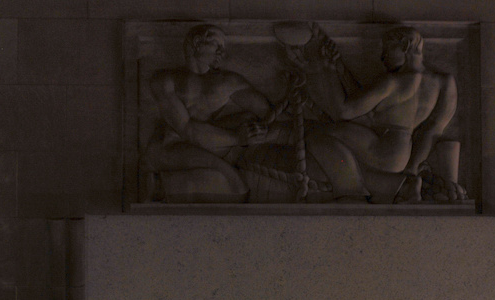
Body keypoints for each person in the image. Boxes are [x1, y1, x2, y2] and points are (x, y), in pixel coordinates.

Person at [306, 26, 465, 203]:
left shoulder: (391, 82)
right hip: (402, 151)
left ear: (404, 45)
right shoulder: (444, 82)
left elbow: (345, 110)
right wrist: (412, 167)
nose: (382, 57)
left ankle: (354, 191)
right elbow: (434, 129)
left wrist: (326, 67)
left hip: (382, 146)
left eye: (387, 48)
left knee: (317, 136)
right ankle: (401, 185)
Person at [142, 24, 272, 202]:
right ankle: (162, 185)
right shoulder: (165, 81)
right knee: (236, 183)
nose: (221, 54)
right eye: (216, 46)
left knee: (248, 119)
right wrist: (238, 139)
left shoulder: (228, 82)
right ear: (197, 43)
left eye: (223, 49)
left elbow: (268, 111)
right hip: (171, 146)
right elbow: (187, 130)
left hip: (206, 141)